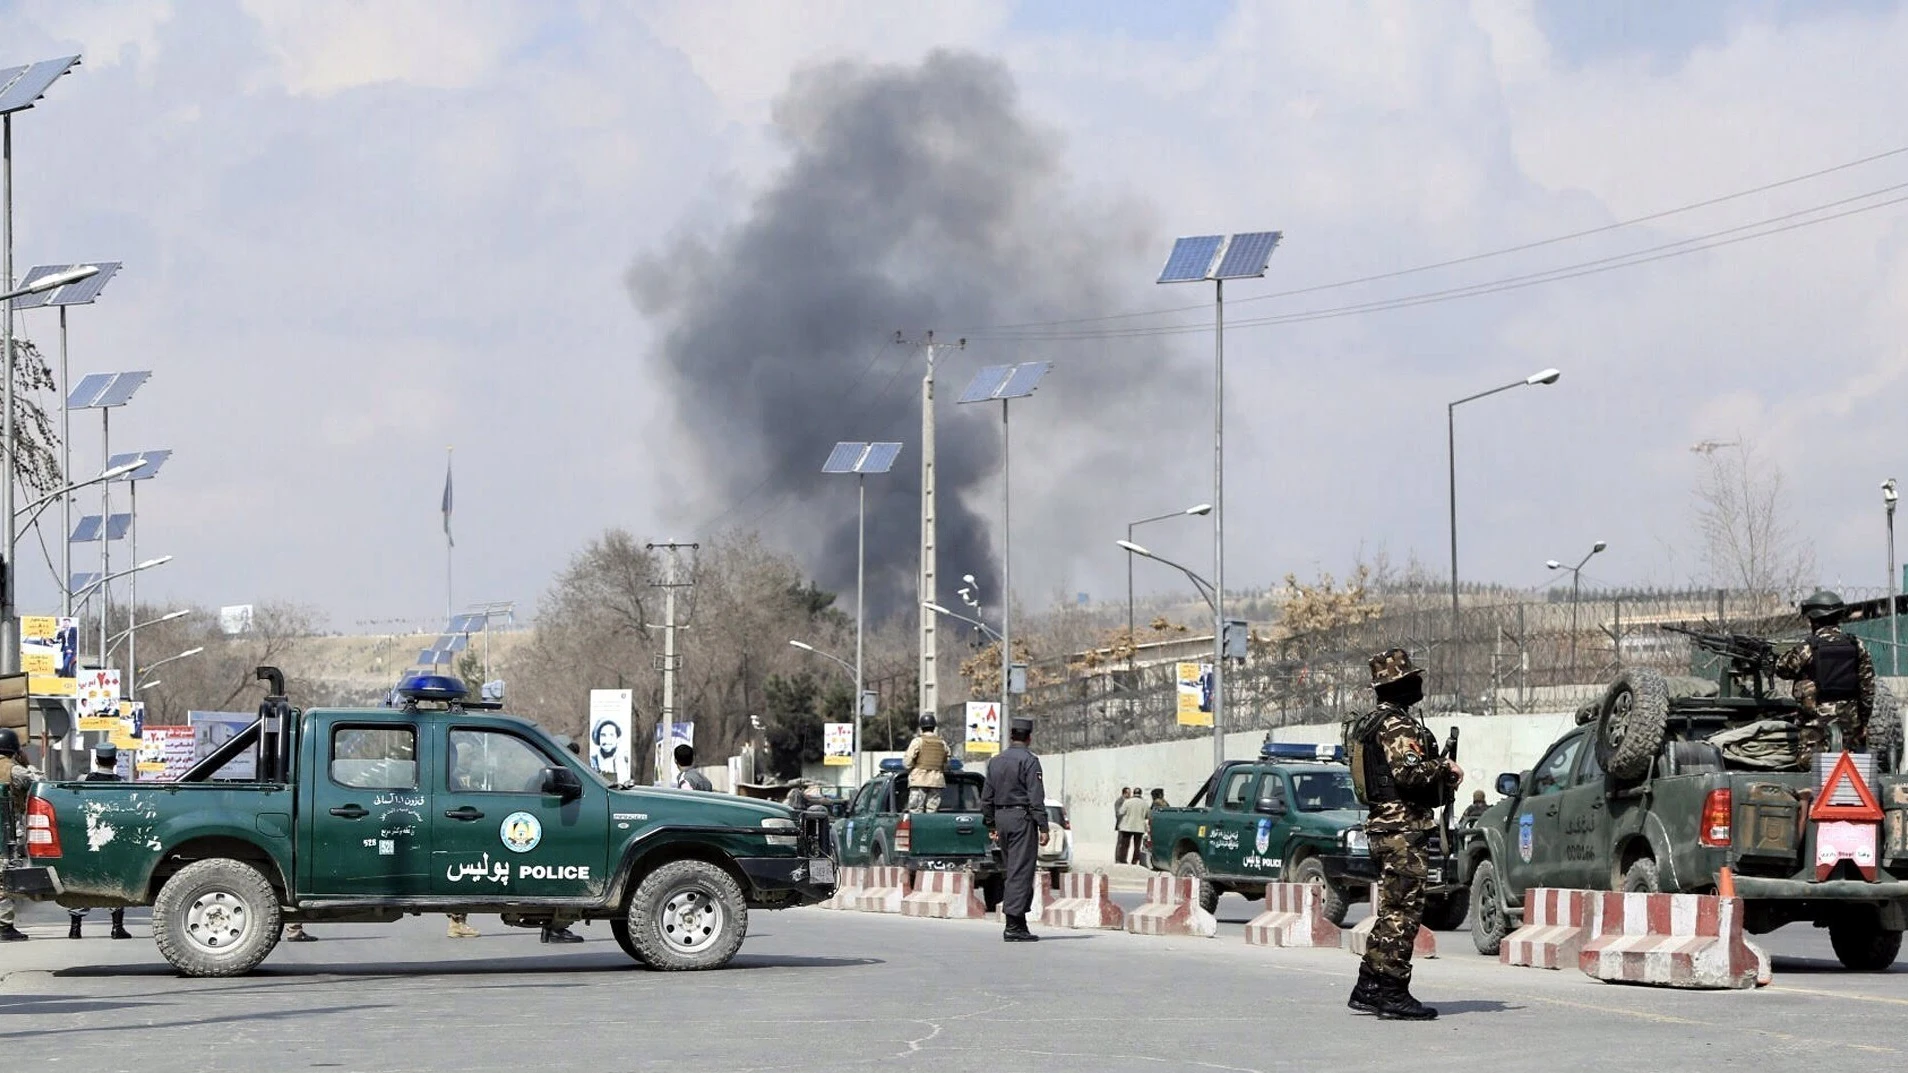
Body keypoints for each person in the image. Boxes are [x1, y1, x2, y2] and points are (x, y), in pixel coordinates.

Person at [1344, 648, 1460, 1021]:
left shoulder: (1370, 723)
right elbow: (1408, 774)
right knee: (1404, 914)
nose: (1420, 682)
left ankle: (1369, 986)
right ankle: (1393, 991)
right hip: (1402, 828)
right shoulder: (1397, 725)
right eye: (1414, 678)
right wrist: (1444, 766)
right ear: (1400, 684)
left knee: (1391, 910)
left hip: (1384, 825)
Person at [1776, 590, 1876, 754]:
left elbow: (1782, 669)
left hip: (1815, 727)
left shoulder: (1807, 648)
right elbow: (1868, 689)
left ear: (1813, 620)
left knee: (1813, 770)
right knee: (1848, 770)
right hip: (1849, 727)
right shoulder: (1857, 645)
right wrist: (1863, 723)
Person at [981, 716, 1049, 942]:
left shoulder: (995, 761)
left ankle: (1019, 922)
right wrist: (1043, 825)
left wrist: (991, 823)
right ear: (1029, 737)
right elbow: (1036, 796)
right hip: (1021, 818)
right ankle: (1013, 925)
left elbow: (986, 797)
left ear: (1011, 736)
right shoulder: (1030, 761)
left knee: (1012, 869)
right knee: (1021, 871)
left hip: (1002, 817)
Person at [68, 744, 132, 940]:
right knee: (114, 878)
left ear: (96, 761)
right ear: (114, 762)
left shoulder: (83, 780)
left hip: (87, 836)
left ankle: (75, 928)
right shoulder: (121, 783)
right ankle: (116, 927)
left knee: (82, 878)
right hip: (110, 837)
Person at [0, 728, 41, 941]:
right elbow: (40, 782)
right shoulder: (13, 770)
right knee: (4, 881)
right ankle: (4, 926)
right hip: (5, 834)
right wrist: (26, 763)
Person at [902, 714, 948, 811]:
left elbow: (907, 763)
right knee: (932, 813)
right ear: (934, 727)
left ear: (921, 727)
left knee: (916, 813)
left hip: (919, 779)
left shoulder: (917, 741)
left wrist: (913, 768)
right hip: (936, 781)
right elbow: (947, 763)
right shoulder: (942, 743)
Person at [1116, 785, 1149, 865]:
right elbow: (1147, 815)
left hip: (1127, 827)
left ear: (1133, 793)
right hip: (1139, 828)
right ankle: (1134, 861)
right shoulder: (1144, 803)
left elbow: (1121, 812)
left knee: (1125, 845)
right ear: (1141, 794)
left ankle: (1123, 860)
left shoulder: (1127, 802)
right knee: (1137, 846)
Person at [591, 719, 630, 784]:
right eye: (603, 735)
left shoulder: (625, 761)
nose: (607, 739)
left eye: (611, 735)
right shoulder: (593, 761)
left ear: (617, 738)